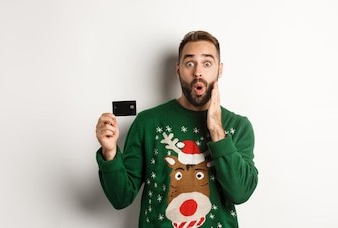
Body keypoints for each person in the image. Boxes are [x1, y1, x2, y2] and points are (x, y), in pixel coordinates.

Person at [95, 30, 258, 228]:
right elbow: (121, 198)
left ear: (219, 70)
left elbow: (239, 193)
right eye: (190, 63)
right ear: (178, 69)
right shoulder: (148, 122)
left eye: (207, 63)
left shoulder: (238, 127)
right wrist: (109, 153)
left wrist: (216, 130)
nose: (198, 72)